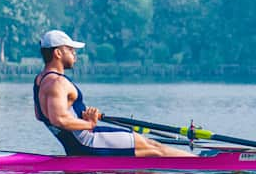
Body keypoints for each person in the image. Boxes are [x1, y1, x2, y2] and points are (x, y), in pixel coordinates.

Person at [33, 30, 194, 157]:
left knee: (148, 152)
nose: (74, 54)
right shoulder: (57, 83)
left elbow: (41, 116)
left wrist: (83, 113)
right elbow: (59, 119)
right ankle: (202, 165)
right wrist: (89, 124)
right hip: (89, 142)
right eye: (70, 49)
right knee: (153, 147)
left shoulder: (40, 81)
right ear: (58, 53)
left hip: (75, 146)